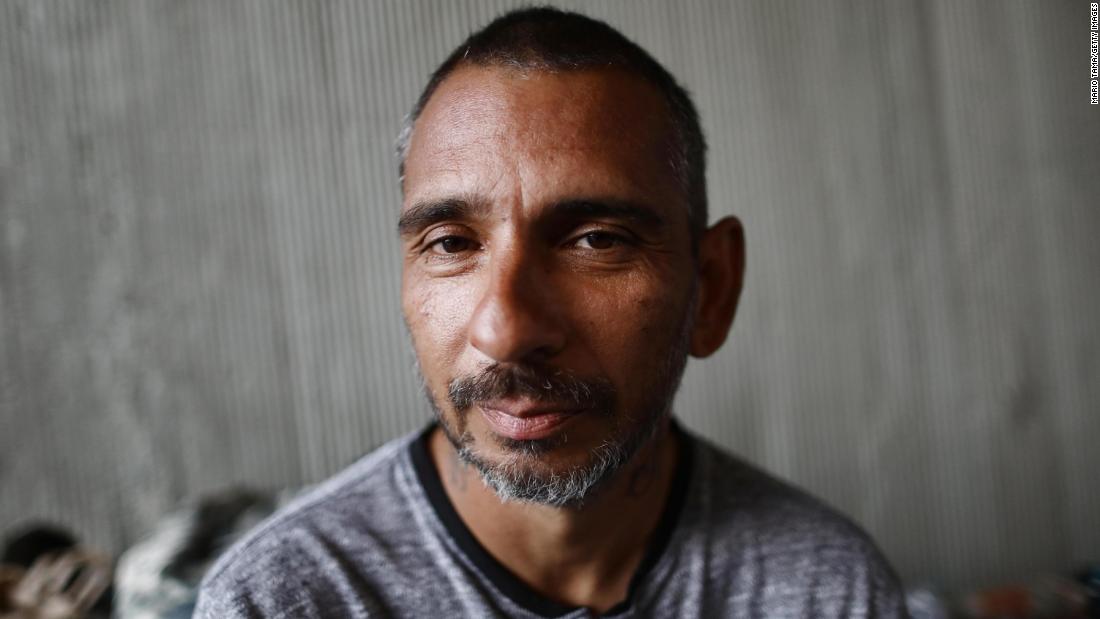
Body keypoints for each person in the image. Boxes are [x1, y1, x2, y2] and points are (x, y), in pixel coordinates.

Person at [196, 7, 907, 618]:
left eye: (596, 240)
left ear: (712, 288)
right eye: (450, 242)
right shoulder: (282, 598)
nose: (505, 330)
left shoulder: (825, 589)